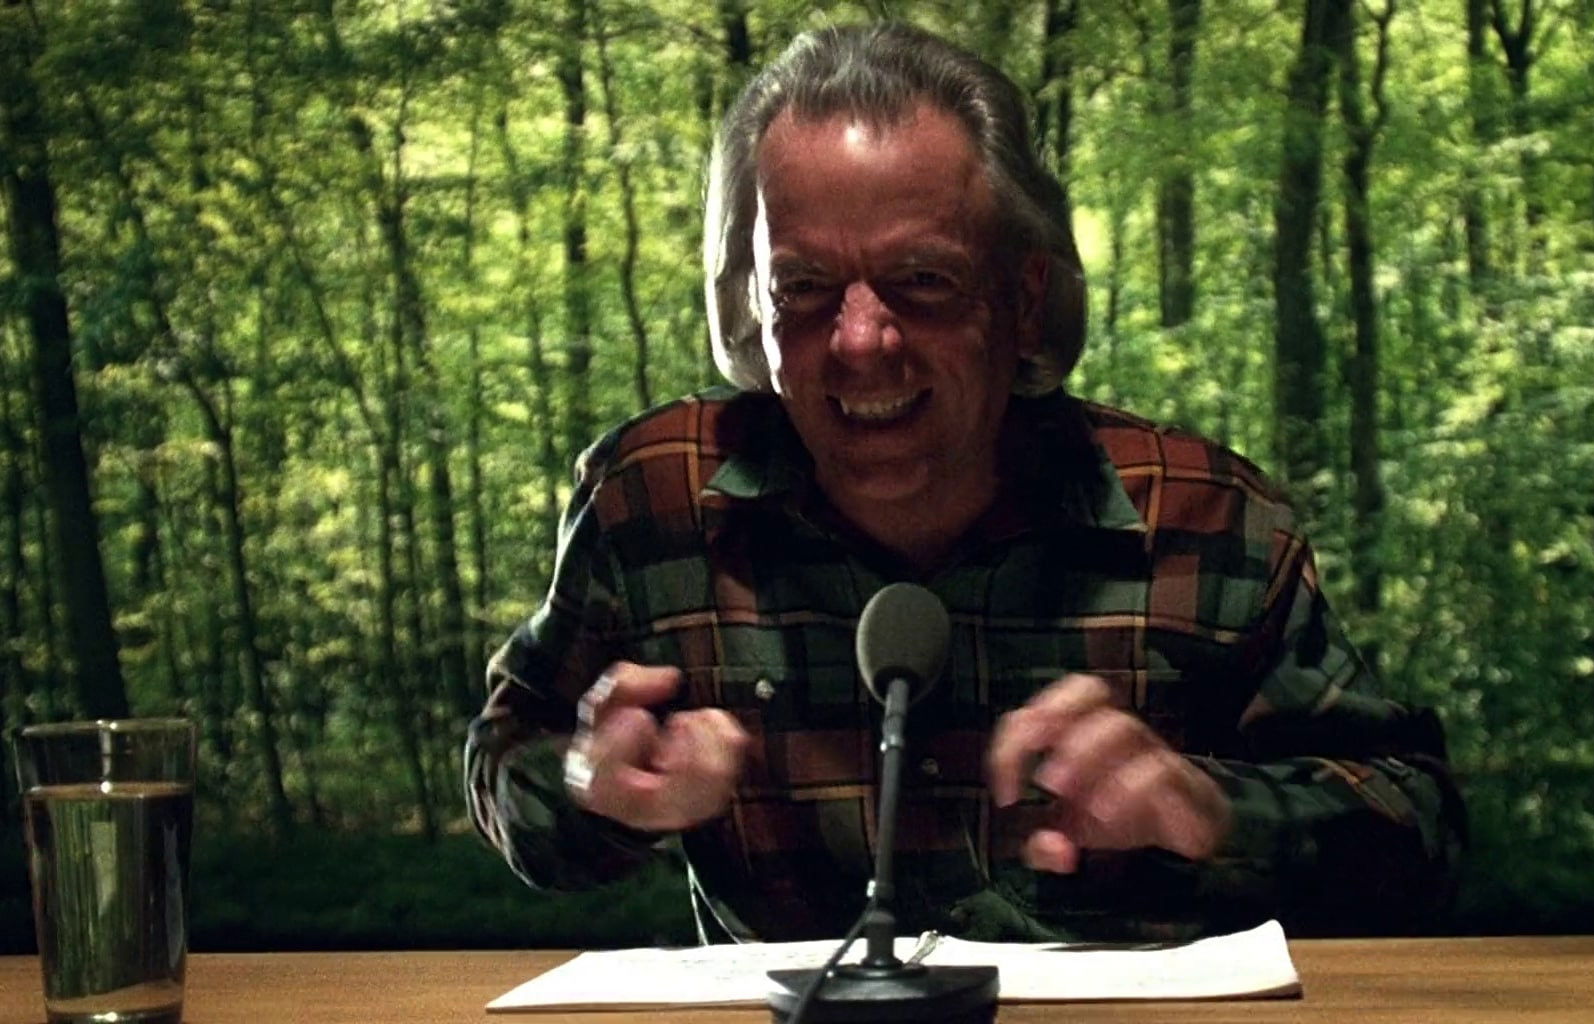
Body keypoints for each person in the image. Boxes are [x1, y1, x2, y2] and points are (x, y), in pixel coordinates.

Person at [465, 22, 1463, 944]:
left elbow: (1418, 827)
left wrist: (1213, 812)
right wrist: (591, 788)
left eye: (923, 281)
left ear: (1023, 299)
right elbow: (506, 761)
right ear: (750, 307)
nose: (860, 342)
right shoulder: (654, 501)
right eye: (802, 288)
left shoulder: (1207, 518)